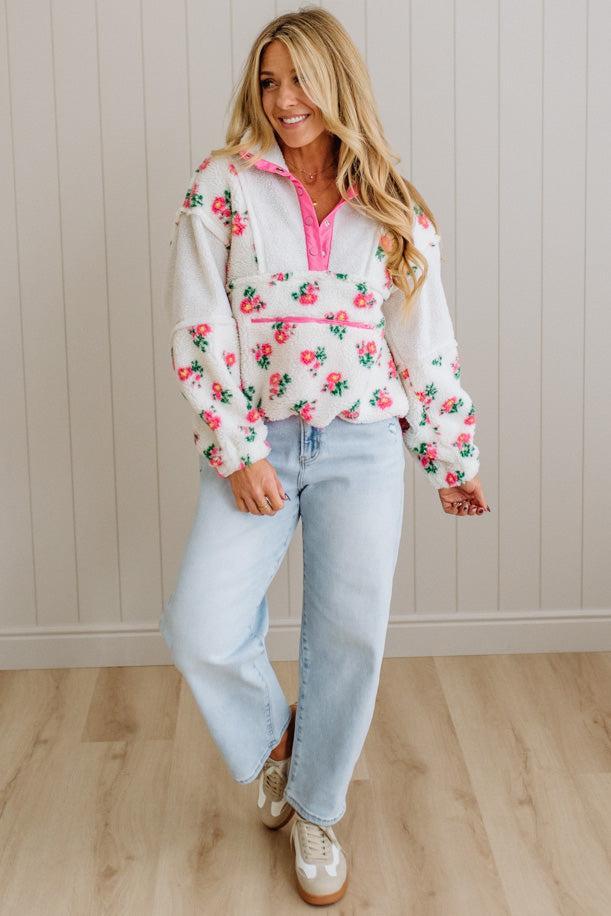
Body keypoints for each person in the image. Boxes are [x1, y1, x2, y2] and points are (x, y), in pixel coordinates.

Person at [160, 6, 489, 907]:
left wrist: (450, 456)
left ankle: (316, 807)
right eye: (268, 81)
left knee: (348, 637)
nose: (283, 99)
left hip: (363, 443)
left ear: (337, 83)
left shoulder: (393, 204)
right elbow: (199, 326)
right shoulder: (222, 185)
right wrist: (236, 449)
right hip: (257, 440)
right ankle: (279, 742)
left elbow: (424, 346)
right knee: (200, 626)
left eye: (300, 78)